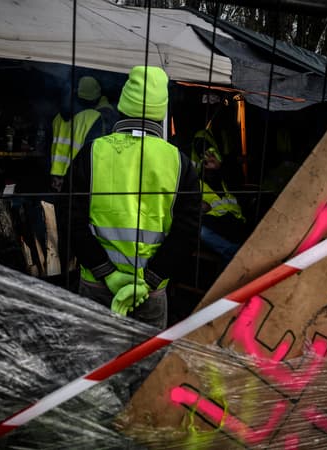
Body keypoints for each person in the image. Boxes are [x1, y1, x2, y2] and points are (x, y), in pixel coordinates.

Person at [68, 66, 200, 330]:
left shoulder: (92, 153)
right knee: (144, 368)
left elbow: (70, 219)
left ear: (122, 106)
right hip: (149, 293)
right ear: (161, 111)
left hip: (97, 285)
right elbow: (187, 231)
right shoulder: (180, 162)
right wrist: (149, 281)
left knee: (93, 366)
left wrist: (106, 272)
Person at [49, 76, 117, 192]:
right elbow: (97, 154)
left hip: (56, 180)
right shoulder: (93, 117)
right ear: (95, 98)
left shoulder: (58, 118)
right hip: (80, 180)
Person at [191, 129, 246, 264]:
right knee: (201, 232)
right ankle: (235, 255)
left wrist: (219, 167)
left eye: (212, 155)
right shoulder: (195, 183)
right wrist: (199, 206)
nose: (209, 159)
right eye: (205, 157)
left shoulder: (225, 177)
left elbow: (233, 180)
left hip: (235, 223)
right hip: (214, 225)